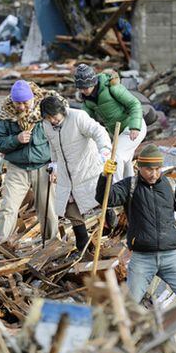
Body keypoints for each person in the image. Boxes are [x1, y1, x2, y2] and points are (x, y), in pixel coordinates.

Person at [96, 143, 176, 353]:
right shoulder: (130, 186)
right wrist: (105, 177)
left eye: (158, 169)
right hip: (142, 258)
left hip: (171, 257)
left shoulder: (170, 186)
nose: (154, 173)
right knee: (130, 302)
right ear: (139, 167)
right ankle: (121, 346)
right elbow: (106, 199)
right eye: (149, 169)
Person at [0, 80, 60, 244]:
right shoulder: (5, 115)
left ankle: (51, 246)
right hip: (17, 168)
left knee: (48, 210)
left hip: (44, 167)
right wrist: (16, 139)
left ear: (32, 98)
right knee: (8, 208)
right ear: (12, 100)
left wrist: (56, 164)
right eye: (18, 103)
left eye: (25, 102)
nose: (21, 107)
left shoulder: (45, 111)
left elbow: (59, 139)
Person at [41, 95, 111, 251]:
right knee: (68, 206)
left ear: (62, 111)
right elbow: (53, 147)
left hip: (86, 167)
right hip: (66, 174)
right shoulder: (46, 125)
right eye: (48, 117)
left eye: (54, 116)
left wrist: (105, 151)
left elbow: (98, 132)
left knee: (99, 198)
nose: (52, 120)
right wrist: (54, 165)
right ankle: (83, 241)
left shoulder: (78, 117)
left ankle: (109, 218)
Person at [74, 64, 147, 181]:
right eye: (81, 88)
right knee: (126, 163)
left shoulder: (111, 87)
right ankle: (130, 190)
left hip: (133, 127)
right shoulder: (87, 101)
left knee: (114, 157)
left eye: (86, 88)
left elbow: (134, 104)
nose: (84, 91)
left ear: (93, 82)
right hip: (118, 133)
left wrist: (134, 127)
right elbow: (86, 122)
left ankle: (116, 190)